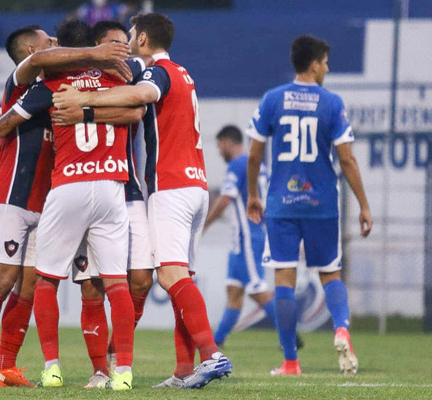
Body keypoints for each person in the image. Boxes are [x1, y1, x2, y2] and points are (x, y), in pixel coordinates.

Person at [52, 12, 232, 389]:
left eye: (132, 35)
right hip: (196, 186)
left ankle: (212, 355)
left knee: (169, 275)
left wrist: (84, 98)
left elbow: (141, 95)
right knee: (179, 278)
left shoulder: (157, 73)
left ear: (145, 40)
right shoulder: (183, 72)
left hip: (170, 187)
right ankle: (185, 369)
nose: (129, 40)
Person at [0, 25, 131, 388]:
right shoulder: (22, 82)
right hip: (12, 196)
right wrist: (96, 53)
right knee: (4, 281)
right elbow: (5, 118)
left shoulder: (58, 87)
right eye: (49, 42)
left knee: (30, 285)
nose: (56, 45)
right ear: (29, 50)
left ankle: (4, 365)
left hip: (48, 201)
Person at [246, 35, 373, 376]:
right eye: (326, 62)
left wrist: (252, 195)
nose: (328, 68)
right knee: (330, 273)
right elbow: (347, 160)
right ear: (315, 64)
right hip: (321, 203)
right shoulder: (331, 103)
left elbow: (255, 153)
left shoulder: (272, 99)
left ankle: (291, 362)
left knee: (284, 281)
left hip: (282, 204)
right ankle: (342, 328)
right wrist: (363, 204)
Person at [61, 20, 154, 390]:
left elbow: (135, 111)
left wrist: (83, 108)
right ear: (97, 46)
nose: (123, 49)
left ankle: (118, 353)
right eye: (114, 44)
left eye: (125, 43)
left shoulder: (130, 75)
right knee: (91, 285)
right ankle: (101, 369)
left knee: (142, 279)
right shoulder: (71, 76)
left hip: (128, 189)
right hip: (85, 187)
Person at [203, 125, 278, 347]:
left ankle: (289, 335)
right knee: (234, 290)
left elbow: (225, 199)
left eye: (219, 147)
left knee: (257, 289)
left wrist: (204, 224)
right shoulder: (257, 164)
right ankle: (216, 342)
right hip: (243, 237)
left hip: (248, 235)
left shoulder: (238, 164)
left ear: (228, 142)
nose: (219, 152)